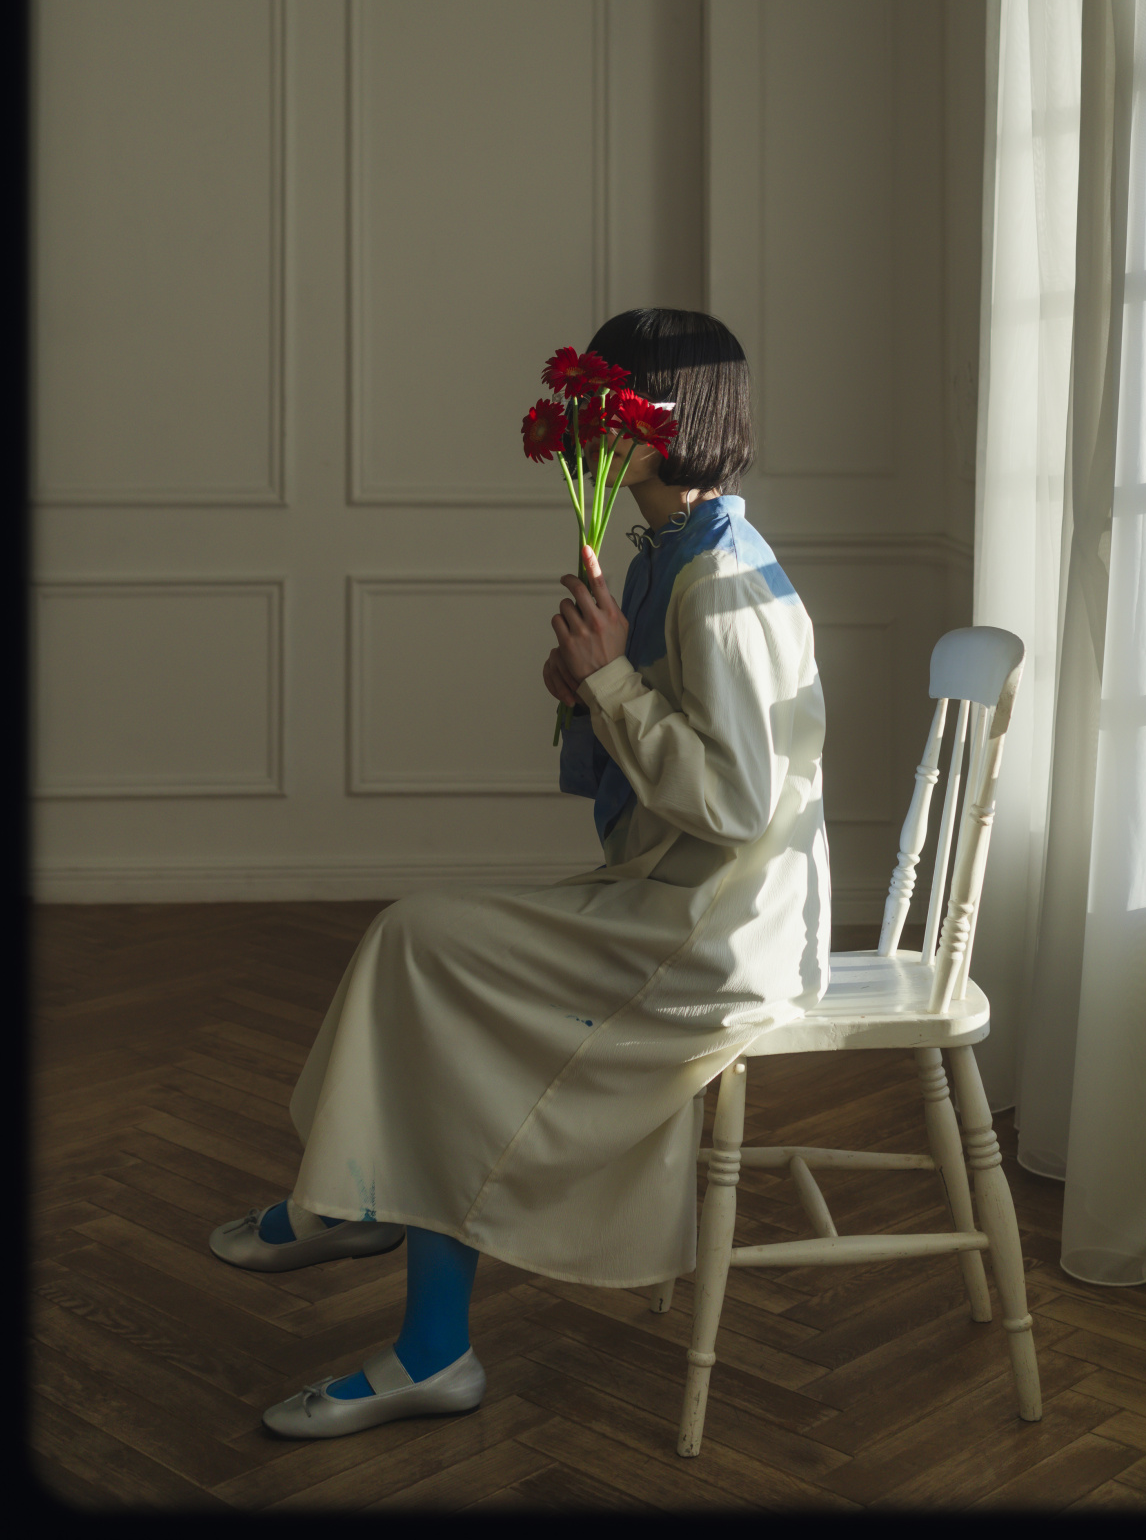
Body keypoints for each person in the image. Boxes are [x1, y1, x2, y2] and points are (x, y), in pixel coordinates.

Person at [208, 307, 831, 1438]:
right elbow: (688, 750)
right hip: (678, 899)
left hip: (714, 934)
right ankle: (364, 1212)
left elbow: (739, 805)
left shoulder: (717, 581)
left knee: (421, 946)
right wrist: (592, 687)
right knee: (418, 947)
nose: (589, 428)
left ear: (662, 422)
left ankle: (389, 1262)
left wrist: (612, 686)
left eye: (607, 407)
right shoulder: (672, 553)